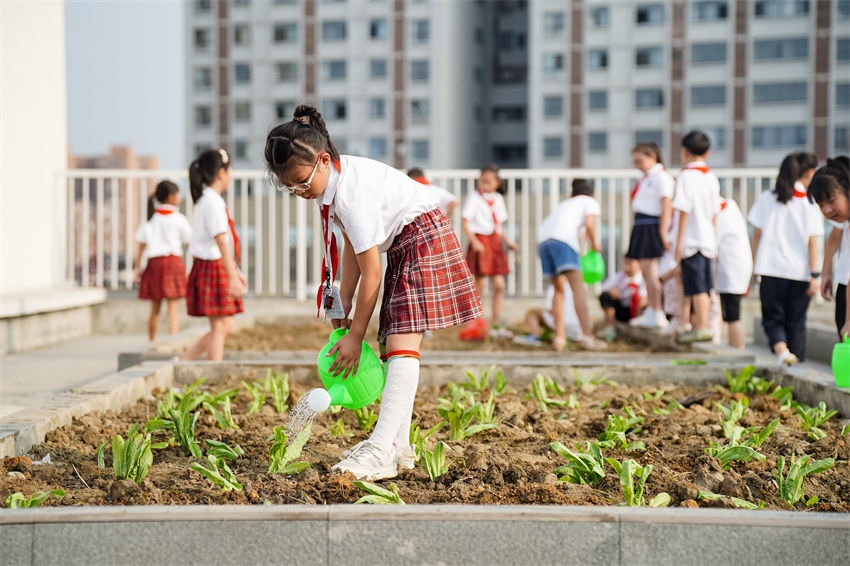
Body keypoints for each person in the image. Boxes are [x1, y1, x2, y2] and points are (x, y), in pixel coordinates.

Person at [263, 105, 482, 481]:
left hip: (421, 238)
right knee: (392, 345)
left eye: (301, 182)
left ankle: (381, 449)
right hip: (408, 240)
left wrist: (354, 335)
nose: (298, 191)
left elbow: (372, 273)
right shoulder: (337, 183)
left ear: (323, 161)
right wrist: (343, 302)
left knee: (400, 343)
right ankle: (397, 447)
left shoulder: (350, 194)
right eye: (290, 187)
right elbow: (353, 247)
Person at [748, 152, 822, 365]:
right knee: (796, 321)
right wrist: (814, 275)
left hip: (770, 268)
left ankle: (781, 350)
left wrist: (754, 266)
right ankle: (796, 363)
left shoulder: (767, 198)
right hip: (800, 271)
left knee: (772, 318)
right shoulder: (809, 203)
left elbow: (757, 234)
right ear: (809, 173)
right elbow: (813, 242)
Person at [179, 149, 246, 363]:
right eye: (229, 171)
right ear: (221, 173)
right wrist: (233, 276)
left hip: (211, 265)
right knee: (220, 327)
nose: (231, 176)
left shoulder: (208, 199)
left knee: (227, 327)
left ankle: (184, 360)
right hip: (212, 265)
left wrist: (234, 271)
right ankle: (211, 372)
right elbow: (221, 242)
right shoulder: (212, 201)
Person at [536, 179, 608, 351]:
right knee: (578, 288)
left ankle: (559, 338)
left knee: (558, 290)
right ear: (591, 193)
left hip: (543, 242)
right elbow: (590, 224)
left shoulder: (565, 204)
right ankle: (587, 336)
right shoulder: (589, 201)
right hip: (563, 242)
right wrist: (596, 245)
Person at [672, 130, 721, 344]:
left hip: (692, 240)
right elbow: (715, 212)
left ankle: (702, 326)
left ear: (685, 152)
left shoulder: (686, 176)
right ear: (707, 153)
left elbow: (684, 210)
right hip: (707, 238)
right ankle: (702, 325)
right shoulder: (711, 177)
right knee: (704, 285)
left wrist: (679, 241)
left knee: (697, 286)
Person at [461, 164, 518, 337]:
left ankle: (496, 320)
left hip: (495, 241)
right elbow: (465, 221)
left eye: (489, 181)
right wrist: (475, 242)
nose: (485, 183)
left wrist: (508, 241)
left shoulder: (498, 199)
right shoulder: (474, 197)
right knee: (481, 284)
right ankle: (478, 321)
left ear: (497, 183)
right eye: (482, 180)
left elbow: (499, 225)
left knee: (499, 284)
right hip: (481, 240)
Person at [133, 180, 191, 341]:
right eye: (178, 194)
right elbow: (189, 240)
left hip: (154, 264)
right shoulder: (179, 218)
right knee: (173, 308)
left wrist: (137, 268)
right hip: (173, 263)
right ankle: (173, 345)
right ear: (171, 197)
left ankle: (151, 341)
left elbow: (140, 247)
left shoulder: (150, 220)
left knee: (155, 308)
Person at [626, 142, 674, 329]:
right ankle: (652, 310)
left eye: (640, 160)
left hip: (652, 226)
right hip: (641, 225)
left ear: (652, 157)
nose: (637, 164)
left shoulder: (662, 177)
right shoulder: (645, 178)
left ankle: (658, 310)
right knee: (645, 271)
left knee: (651, 271)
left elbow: (666, 205)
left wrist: (663, 231)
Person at [807, 156, 850, 338]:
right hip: (844, 286)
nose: (827, 210)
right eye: (821, 205)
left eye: (831, 201)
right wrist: (825, 273)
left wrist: (849, 319)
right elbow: (834, 236)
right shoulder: (843, 220)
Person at [714, 197, 752, 349]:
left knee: (733, 315)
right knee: (732, 314)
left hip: (732, 270)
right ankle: (736, 350)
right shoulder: (730, 206)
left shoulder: (722, 213)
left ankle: (737, 352)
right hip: (737, 268)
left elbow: (711, 242)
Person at [516, 283, 581, 346]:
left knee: (532, 313)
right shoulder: (577, 286)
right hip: (577, 326)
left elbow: (552, 310)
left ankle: (535, 336)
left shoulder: (556, 285)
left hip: (562, 323)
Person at [599, 256, 648, 331]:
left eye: (630, 263)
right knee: (605, 296)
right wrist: (611, 290)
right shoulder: (619, 276)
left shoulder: (642, 279)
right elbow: (603, 287)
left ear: (638, 264)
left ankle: (637, 325)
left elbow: (642, 299)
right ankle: (611, 326)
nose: (627, 266)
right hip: (622, 309)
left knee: (644, 303)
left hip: (636, 309)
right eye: (626, 263)